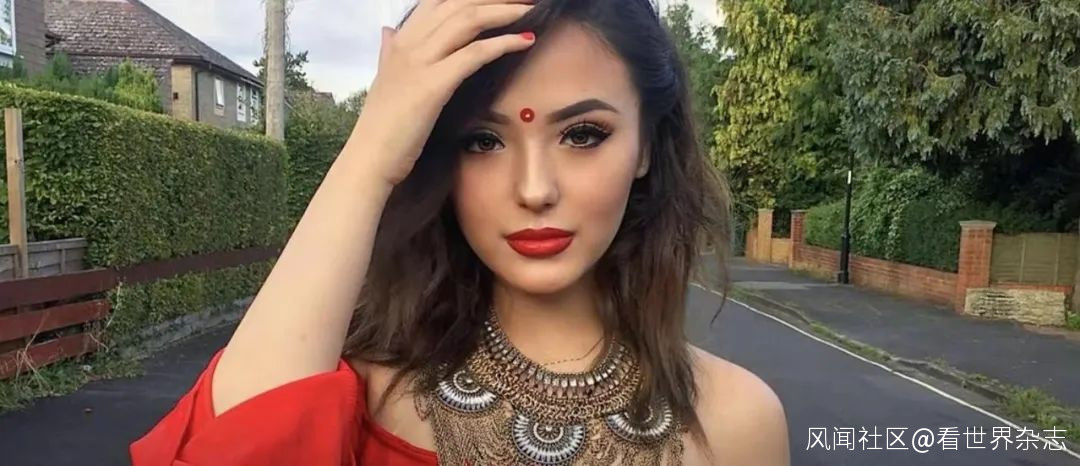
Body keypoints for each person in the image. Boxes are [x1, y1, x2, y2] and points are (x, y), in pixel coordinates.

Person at [130, 0, 789, 464]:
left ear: (645, 146)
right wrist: (369, 155)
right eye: (482, 140)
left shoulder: (738, 426)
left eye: (583, 134)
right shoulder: (363, 398)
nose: (534, 189)